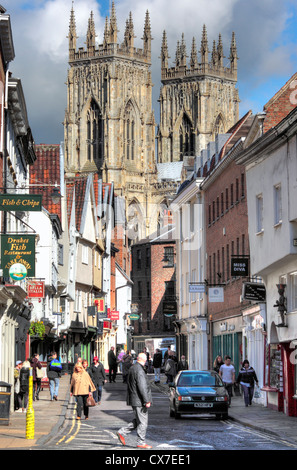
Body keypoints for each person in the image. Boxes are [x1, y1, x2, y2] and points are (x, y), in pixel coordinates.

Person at [117, 353, 153, 449]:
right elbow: (142, 386)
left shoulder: (133, 368)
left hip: (134, 398)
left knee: (139, 420)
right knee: (143, 422)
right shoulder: (140, 370)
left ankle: (122, 432)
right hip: (139, 400)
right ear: (144, 360)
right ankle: (141, 442)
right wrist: (146, 400)